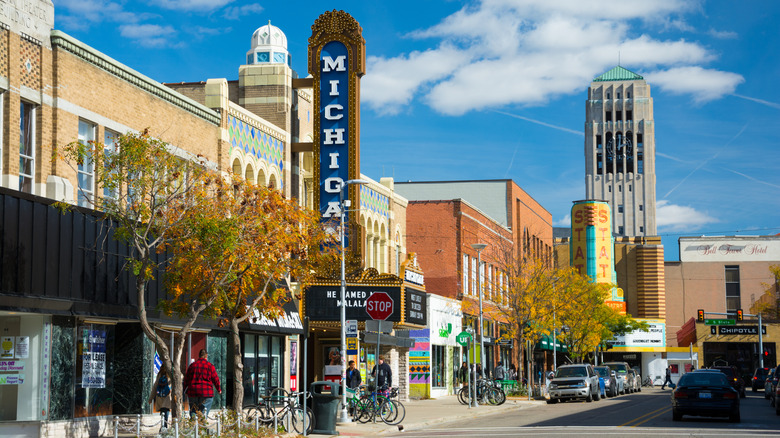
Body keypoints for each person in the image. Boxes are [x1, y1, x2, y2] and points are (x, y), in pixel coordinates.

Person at [184, 349, 222, 420]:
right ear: (206, 356)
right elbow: (215, 379)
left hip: (193, 392)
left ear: (199, 356)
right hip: (206, 393)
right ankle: (202, 427)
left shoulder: (192, 366)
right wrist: (218, 389)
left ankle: (193, 427)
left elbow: (186, 379)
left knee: (193, 410)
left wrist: (184, 390)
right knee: (203, 412)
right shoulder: (210, 366)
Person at [148, 364, 172, 430]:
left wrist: (151, 398)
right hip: (167, 397)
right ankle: (164, 427)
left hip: (160, 397)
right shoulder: (170, 374)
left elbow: (155, 386)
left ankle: (163, 427)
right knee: (166, 413)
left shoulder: (160, 374)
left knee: (162, 413)